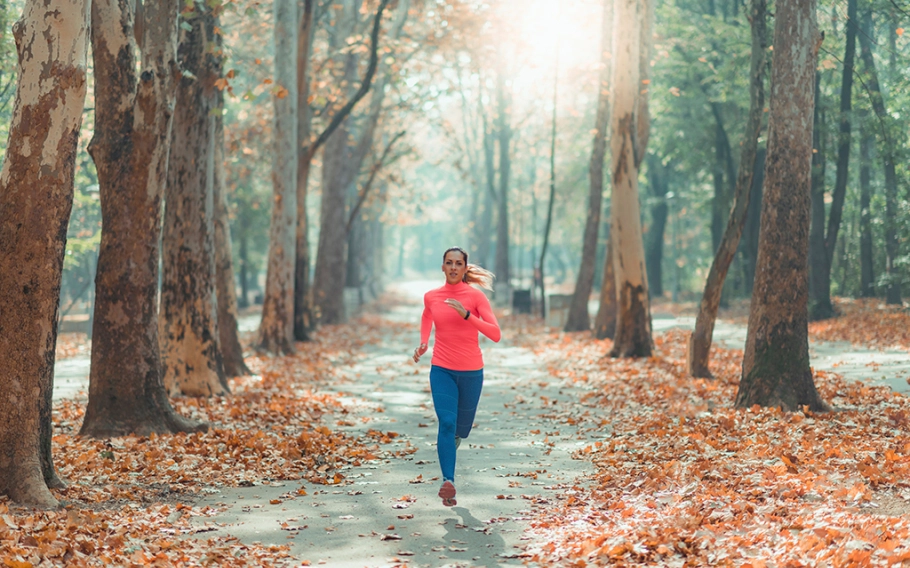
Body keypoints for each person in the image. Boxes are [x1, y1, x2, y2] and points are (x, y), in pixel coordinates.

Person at [413, 246, 501, 507]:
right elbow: (427, 315)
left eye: (458, 263)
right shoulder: (431, 296)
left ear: (465, 268)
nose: (453, 267)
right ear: (442, 266)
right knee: (447, 423)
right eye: (448, 263)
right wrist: (423, 342)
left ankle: (453, 443)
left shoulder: (476, 298)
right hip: (442, 369)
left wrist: (467, 315)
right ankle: (447, 482)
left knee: (461, 429)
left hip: (472, 372)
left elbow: (495, 334)